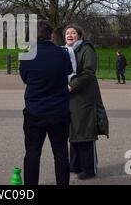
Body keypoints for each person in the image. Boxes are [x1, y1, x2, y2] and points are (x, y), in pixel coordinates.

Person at [19, 20, 73, 185]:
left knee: (33, 153)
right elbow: (69, 71)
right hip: (59, 110)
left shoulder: (27, 55)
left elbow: (25, 78)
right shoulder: (62, 53)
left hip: (35, 110)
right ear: (50, 34)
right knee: (61, 152)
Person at [64, 25, 109, 180]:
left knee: (85, 131)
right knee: (74, 131)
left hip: (84, 95)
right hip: (70, 97)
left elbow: (89, 72)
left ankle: (89, 169)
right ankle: (75, 165)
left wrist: (71, 85)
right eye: (67, 33)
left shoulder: (86, 49)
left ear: (80, 35)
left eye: (73, 33)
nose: (70, 35)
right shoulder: (66, 51)